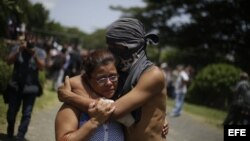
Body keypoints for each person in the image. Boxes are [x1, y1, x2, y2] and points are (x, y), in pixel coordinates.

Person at [58, 18, 168, 141]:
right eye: (110, 48)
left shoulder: (152, 74)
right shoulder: (120, 69)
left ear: (136, 46)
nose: (114, 53)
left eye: (119, 48)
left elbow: (113, 112)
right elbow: (78, 81)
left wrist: (70, 97)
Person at [55, 49, 125, 141]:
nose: (109, 83)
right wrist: (94, 122)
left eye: (113, 76)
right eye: (101, 78)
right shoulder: (73, 106)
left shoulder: (122, 102)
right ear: (88, 79)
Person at [5, 32, 46, 140]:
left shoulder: (40, 52)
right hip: (15, 86)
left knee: (27, 114)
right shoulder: (17, 48)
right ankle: (10, 130)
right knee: (11, 112)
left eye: (33, 39)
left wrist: (34, 55)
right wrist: (19, 50)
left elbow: (42, 67)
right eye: (29, 39)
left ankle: (20, 135)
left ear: (36, 40)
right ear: (26, 40)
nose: (30, 41)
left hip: (31, 88)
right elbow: (8, 61)